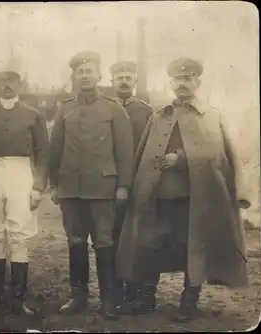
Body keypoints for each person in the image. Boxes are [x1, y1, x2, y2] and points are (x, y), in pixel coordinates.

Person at [116, 57, 250, 322]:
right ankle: (147, 297)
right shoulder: (159, 116)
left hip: (195, 199)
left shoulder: (211, 116)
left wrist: (181, 158)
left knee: (194, 248)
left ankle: (189, 300)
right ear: (171, 83)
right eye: (178, 79)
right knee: (152, 244)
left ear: (197, 82)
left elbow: (218, 155)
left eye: (188, 79)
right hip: (159, 197)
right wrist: (134, 187)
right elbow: (142, 155)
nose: (183, 84)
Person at [49, 51, 134, 320]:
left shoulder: (113, 108)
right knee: (75, 241)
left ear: (98, 75)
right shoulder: (65, 108)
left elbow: (124, 152)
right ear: (73, 76)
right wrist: (55, 184)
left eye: (89, 71)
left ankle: (109, 299)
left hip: (102, 189)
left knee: (104, 242)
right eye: (80, 71)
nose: (84, 76)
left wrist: (123, 186)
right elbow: (55, 150)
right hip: (71, 189)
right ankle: (79, 296)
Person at [0, 63, 50, 316]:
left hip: (21, 171)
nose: (7, 85)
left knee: (19, 234)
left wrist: (38, 186)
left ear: (20, 84)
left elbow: (43, 152)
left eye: (12, 80)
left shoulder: (32, 114)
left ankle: (17, 301)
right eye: (1, 80)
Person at [109, 60, 154, 313]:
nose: (124, 81)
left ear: (135, 81)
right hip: (110, 182)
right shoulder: (105, 108)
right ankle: (115, 289)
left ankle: (136, 289)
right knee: (113, 236)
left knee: (137, 237)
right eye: (119, 77)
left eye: (128, 77)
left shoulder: (147, 111)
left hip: (138, 184)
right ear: (112, 81)